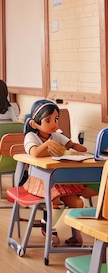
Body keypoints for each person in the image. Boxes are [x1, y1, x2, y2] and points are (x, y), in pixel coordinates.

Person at [23, 99, 96, 246]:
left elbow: (74, 146)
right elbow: (35, 153)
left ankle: (77, 236)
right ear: (34, 123)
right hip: (39, 180)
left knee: (77, 202)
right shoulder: (31, 137)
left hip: (60, 179)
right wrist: (48, 144)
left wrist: (77, 147)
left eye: (56, 119)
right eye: (48, 120)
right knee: (54, 200)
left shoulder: (57, 135)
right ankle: (50, 229)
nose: (54, 124)